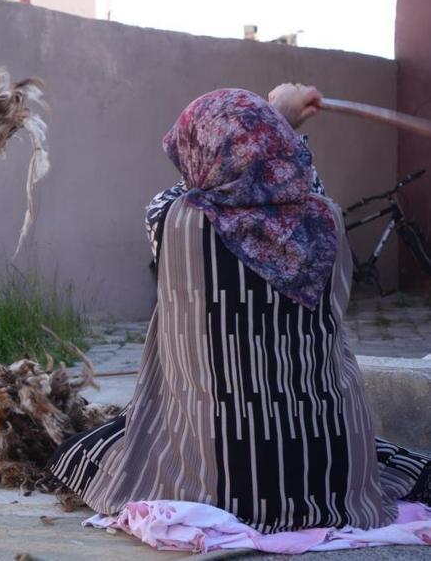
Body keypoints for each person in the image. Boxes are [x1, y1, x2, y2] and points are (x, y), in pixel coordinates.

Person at [49, 85, 431, 532]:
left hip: (214, 469)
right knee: (385, 456)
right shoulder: (325, 220)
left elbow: (204, 183)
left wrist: (274, 115)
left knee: (90, 450)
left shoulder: (171, 221)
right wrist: (278, 125)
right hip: (325, 469)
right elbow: (294, 181)